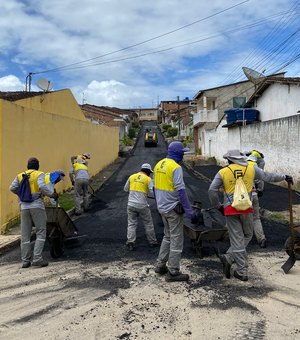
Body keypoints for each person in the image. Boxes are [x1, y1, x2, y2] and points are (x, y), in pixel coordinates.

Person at [208, 150, 293, 282]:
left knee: (237, 239)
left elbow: (212, 190)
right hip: (247, 208)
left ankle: (237, 266)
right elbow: (268, 176)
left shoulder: (223, 172)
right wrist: (284, 176)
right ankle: (234, 261)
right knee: (247, 235)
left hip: (230, 210)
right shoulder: (251, 168)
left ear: (229, 160)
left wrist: (218, 206)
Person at [153, 141, 197, 282]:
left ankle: (160, 265)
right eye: (182, 153)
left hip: (162, 208)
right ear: (178, 153)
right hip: (173, 210)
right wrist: (189, 211)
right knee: (177, 239)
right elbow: (181, 191)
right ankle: (173, 271)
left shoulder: (158, 164)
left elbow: (154, 188)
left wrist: (160, 203)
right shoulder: (175, 167)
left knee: (167, 236)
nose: (183, 155)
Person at [10, 157, 58, 268]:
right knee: (41, 231)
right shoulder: (39, 174)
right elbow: (41, 186)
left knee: (25, 234)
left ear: (27, 166)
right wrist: (51, 194)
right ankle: (37, 258)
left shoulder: (20, 175)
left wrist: (21, 195)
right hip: (36, 205)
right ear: (37, 166)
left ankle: (25, 260)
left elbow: (12, 188)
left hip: (24, 207)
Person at [124, 163, 158, 250]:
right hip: (142, 205)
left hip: (130, 204)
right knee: (148, 223)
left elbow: (125, 189)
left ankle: (130, 242)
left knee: (131, 224)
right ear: (148, 172)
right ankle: (152, 242)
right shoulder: (148, 179)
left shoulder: (132, 177)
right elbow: (152, 192)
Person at [247, 155, 267, 248]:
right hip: (254, 195)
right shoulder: (257, 168)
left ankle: (227, 235)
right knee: (256, 218)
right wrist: (260, 190)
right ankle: (261, 238)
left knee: (236, 217)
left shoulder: (244, 168)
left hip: (244, 197)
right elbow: (261, 180)